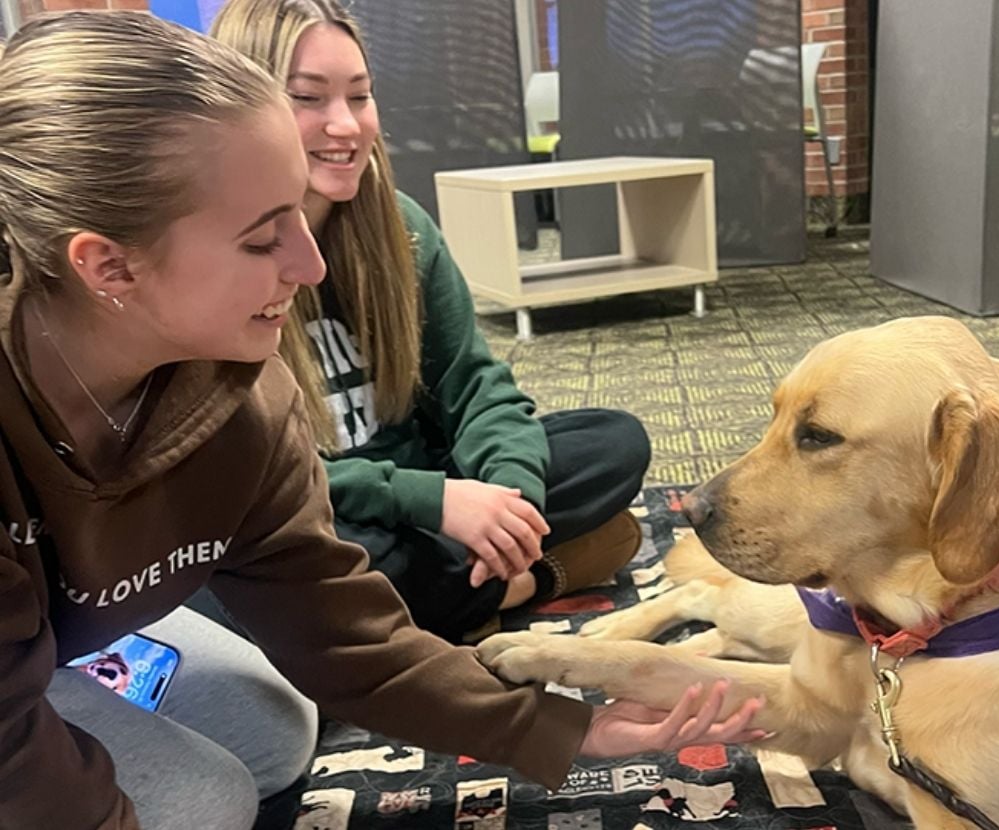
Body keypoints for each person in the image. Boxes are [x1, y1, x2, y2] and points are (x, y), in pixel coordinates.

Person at [0, 12, 762, 830]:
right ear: (107, 264)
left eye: (298, 212)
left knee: (275, 735)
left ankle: (87, 659)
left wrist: (563, 727)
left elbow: (341, 635)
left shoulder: (243, 398)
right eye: (263, 240)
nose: (311, 263)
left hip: (65, 624)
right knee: (207, 801)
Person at [206, 0, 653, 645]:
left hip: (435, 497)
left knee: (613, 441)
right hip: (327, 513)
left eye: (360, 97)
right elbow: (245, 475)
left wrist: (511, 502)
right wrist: (431, 503)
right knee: (264, 566)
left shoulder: (402, 227)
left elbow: (474, 385)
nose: (345, 125)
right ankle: (534, 580)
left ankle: (434, 602)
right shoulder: (214, 256)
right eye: (308, 98)